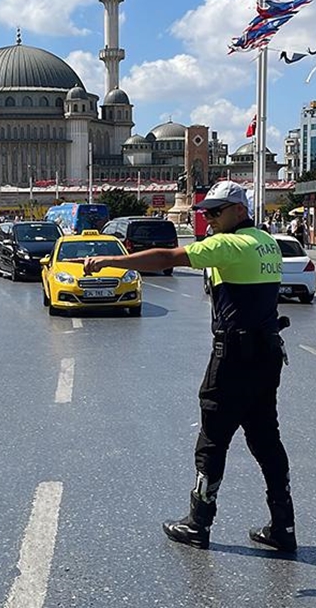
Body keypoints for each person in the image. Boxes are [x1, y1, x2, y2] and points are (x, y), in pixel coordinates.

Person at [80, 180, 294, 552]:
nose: (208, 219)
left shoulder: (229, 245)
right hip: (267, 353)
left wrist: (109, 261)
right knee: (266, 440)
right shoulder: (267, 243)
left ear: (239, 211)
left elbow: (166, 257)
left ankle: (198, 522)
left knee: (212, 439)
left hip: (235, 357)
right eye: (205, 212)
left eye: (216, 212)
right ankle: (283, 526)